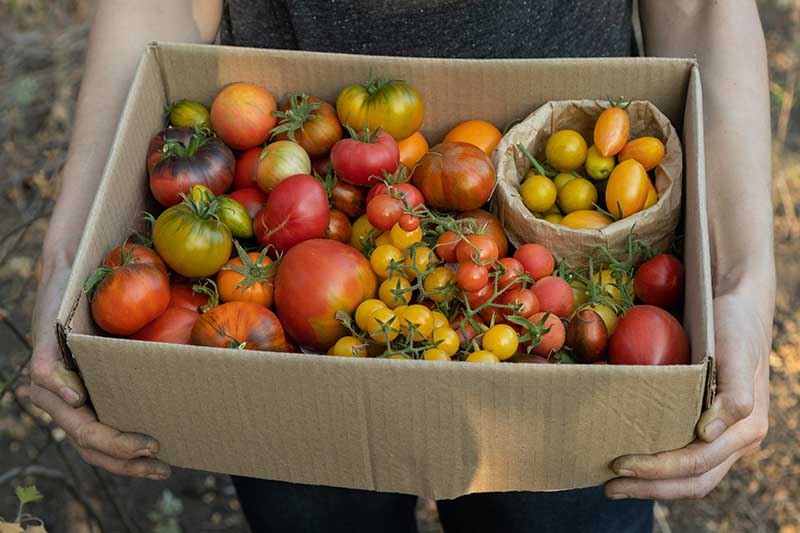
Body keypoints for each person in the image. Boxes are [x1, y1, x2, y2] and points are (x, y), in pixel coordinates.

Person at [29, 0, 774, 531]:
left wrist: (742, 282)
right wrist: (67, 261)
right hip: (288, 345)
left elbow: (704, 7)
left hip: (567, 375)